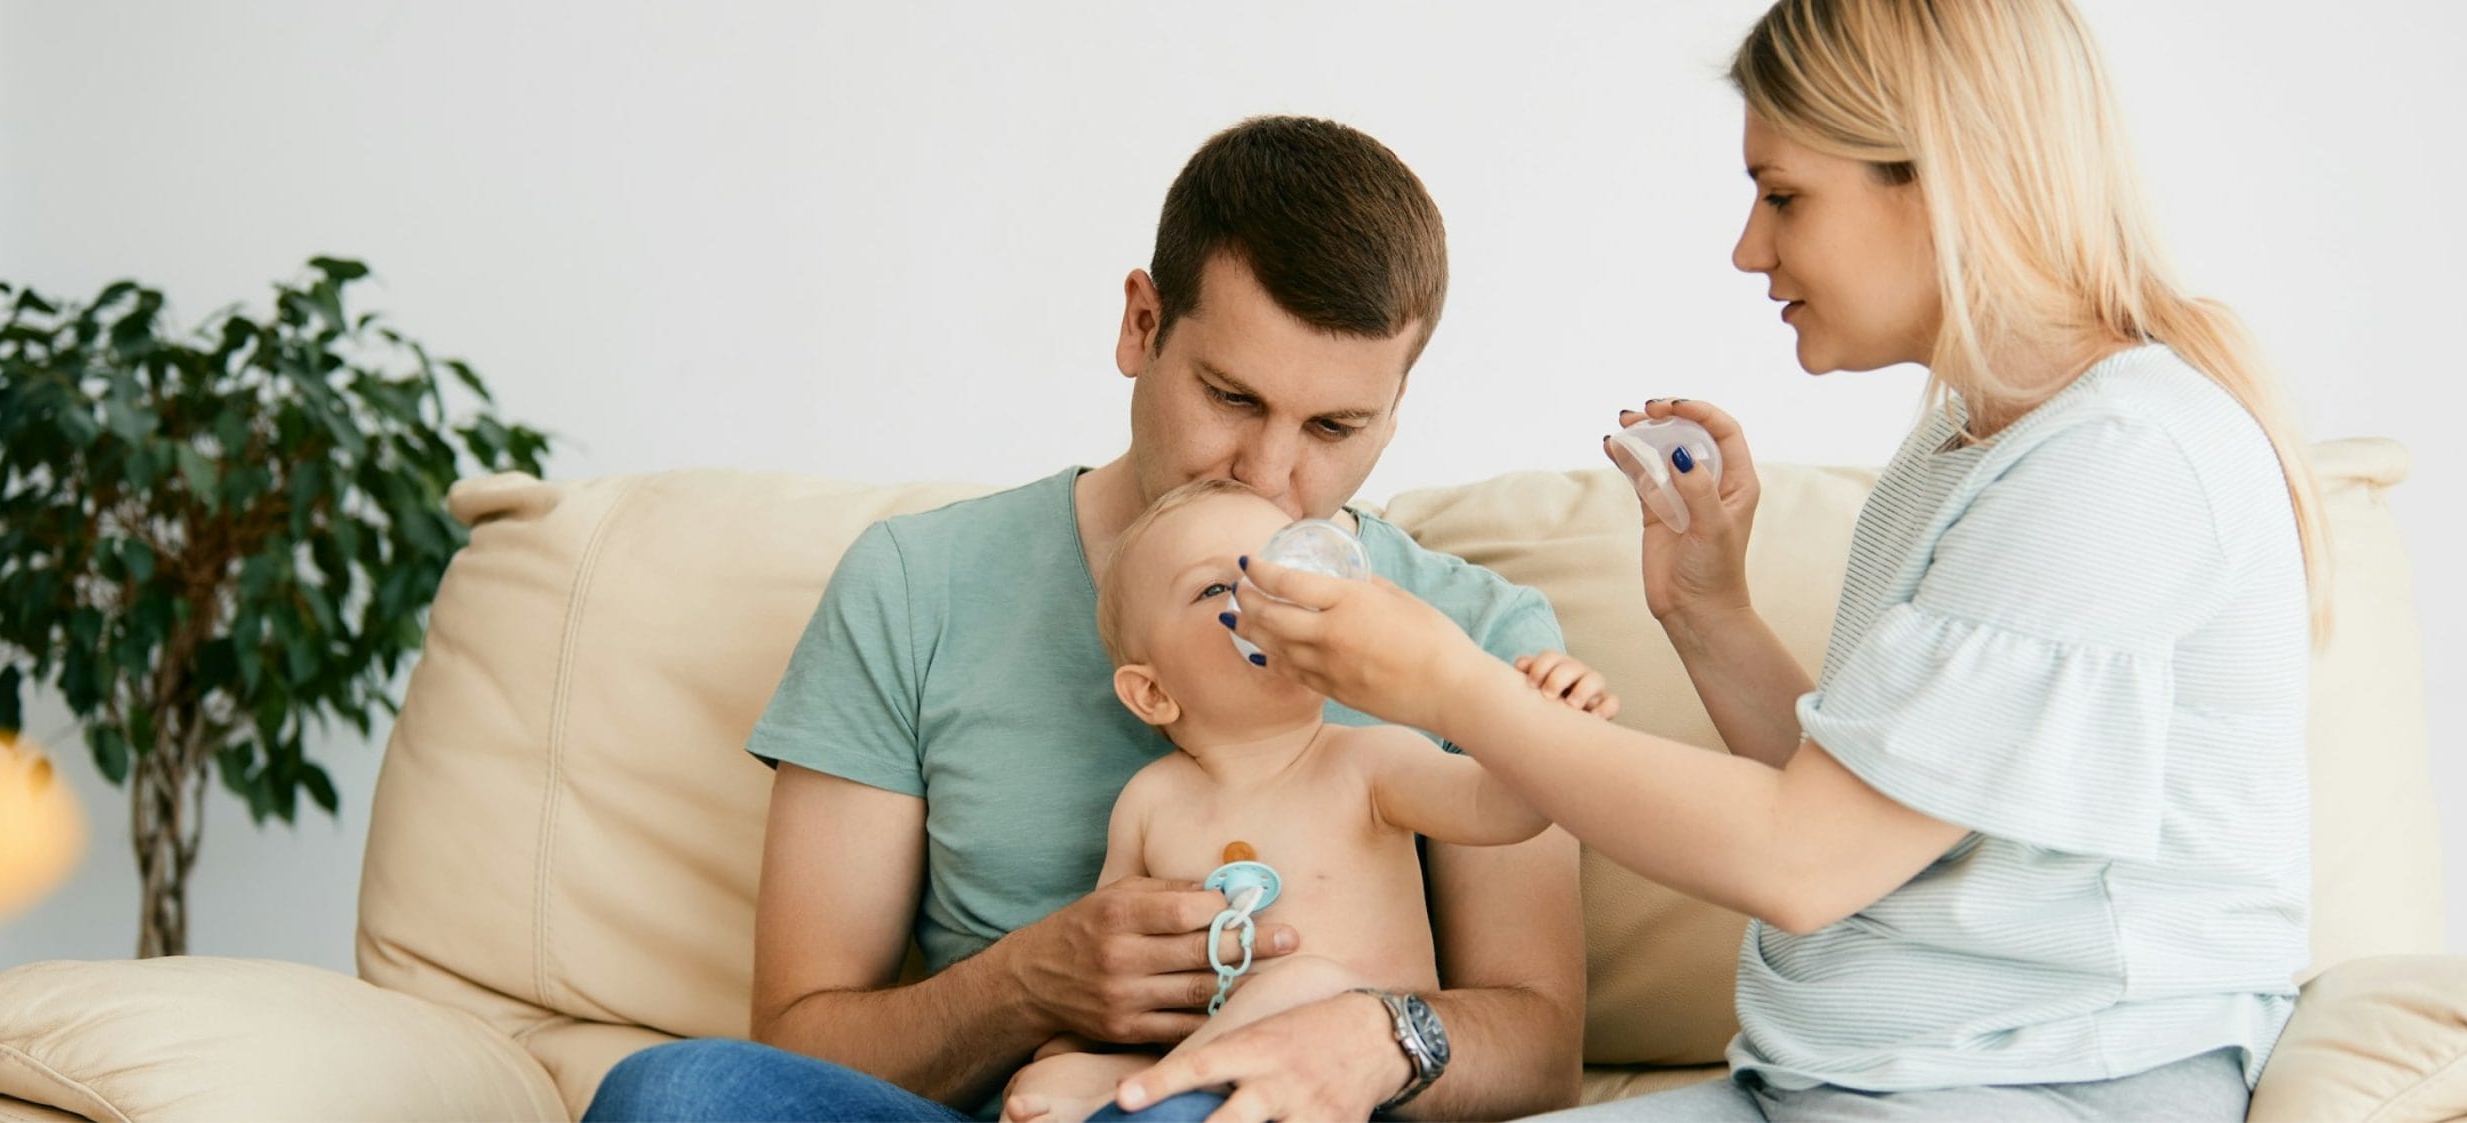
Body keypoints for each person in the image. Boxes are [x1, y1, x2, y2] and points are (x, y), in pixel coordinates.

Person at [1197, 1, 2326, 1119]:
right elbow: (1874, 811)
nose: (1749, 247)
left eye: (1782, 195)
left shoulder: (2118, 463)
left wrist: (1450, 686)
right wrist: (1707, 608)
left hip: (2043, 1084)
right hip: (1851, 1084)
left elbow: (1807, 861)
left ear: (1944, 177)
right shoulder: (1965, 443)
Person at [584, 116, 1587, 1123]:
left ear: (1397, 404)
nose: (1276, 479)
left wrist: (1368, 1039)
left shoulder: (1474, 629)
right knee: (677, 1091)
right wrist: (1026, 985)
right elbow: (804, 1037)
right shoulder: (916, 585)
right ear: (1140, 326)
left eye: (1335, 427)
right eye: (1233, 397)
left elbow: (1539, 1051)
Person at [1002, 479, 1611, 1122]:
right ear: (1152, 693)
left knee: (1311, 983)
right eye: (1216, 588)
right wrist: (1063, 1055)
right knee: (1051, 1073)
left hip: (1350, 1088)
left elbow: (1504, 811)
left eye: (1281, 570)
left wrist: (1551, 729)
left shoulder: (1370, 760)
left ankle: (1141, 1095)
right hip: (1204, 1076)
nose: (1265, 599)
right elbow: (1111, 962)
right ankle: (1152, 1088)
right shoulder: (1149, 801)